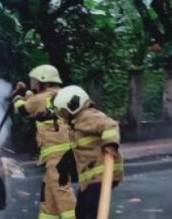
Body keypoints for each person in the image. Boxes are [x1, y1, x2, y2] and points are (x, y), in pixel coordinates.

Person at [12, 65, 76, 219]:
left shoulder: (40, 99)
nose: (33, 85)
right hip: (63, 152)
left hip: (57, 154)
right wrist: (28, 94)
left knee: (61, 191)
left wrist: (18, 96)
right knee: (48, 194)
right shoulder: (59, 95)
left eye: (35, 82)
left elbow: (22, 110)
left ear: (44, 82)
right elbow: (36, 103)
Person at [52, 85, 124, 219]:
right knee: (82, 211)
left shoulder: (88, 116)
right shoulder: (77, 122)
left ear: (72, 105)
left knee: (92, 210)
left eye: (63, 111)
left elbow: (110, 125)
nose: (62, 115)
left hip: (101, 174)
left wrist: (110, 144)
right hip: (91, 178)